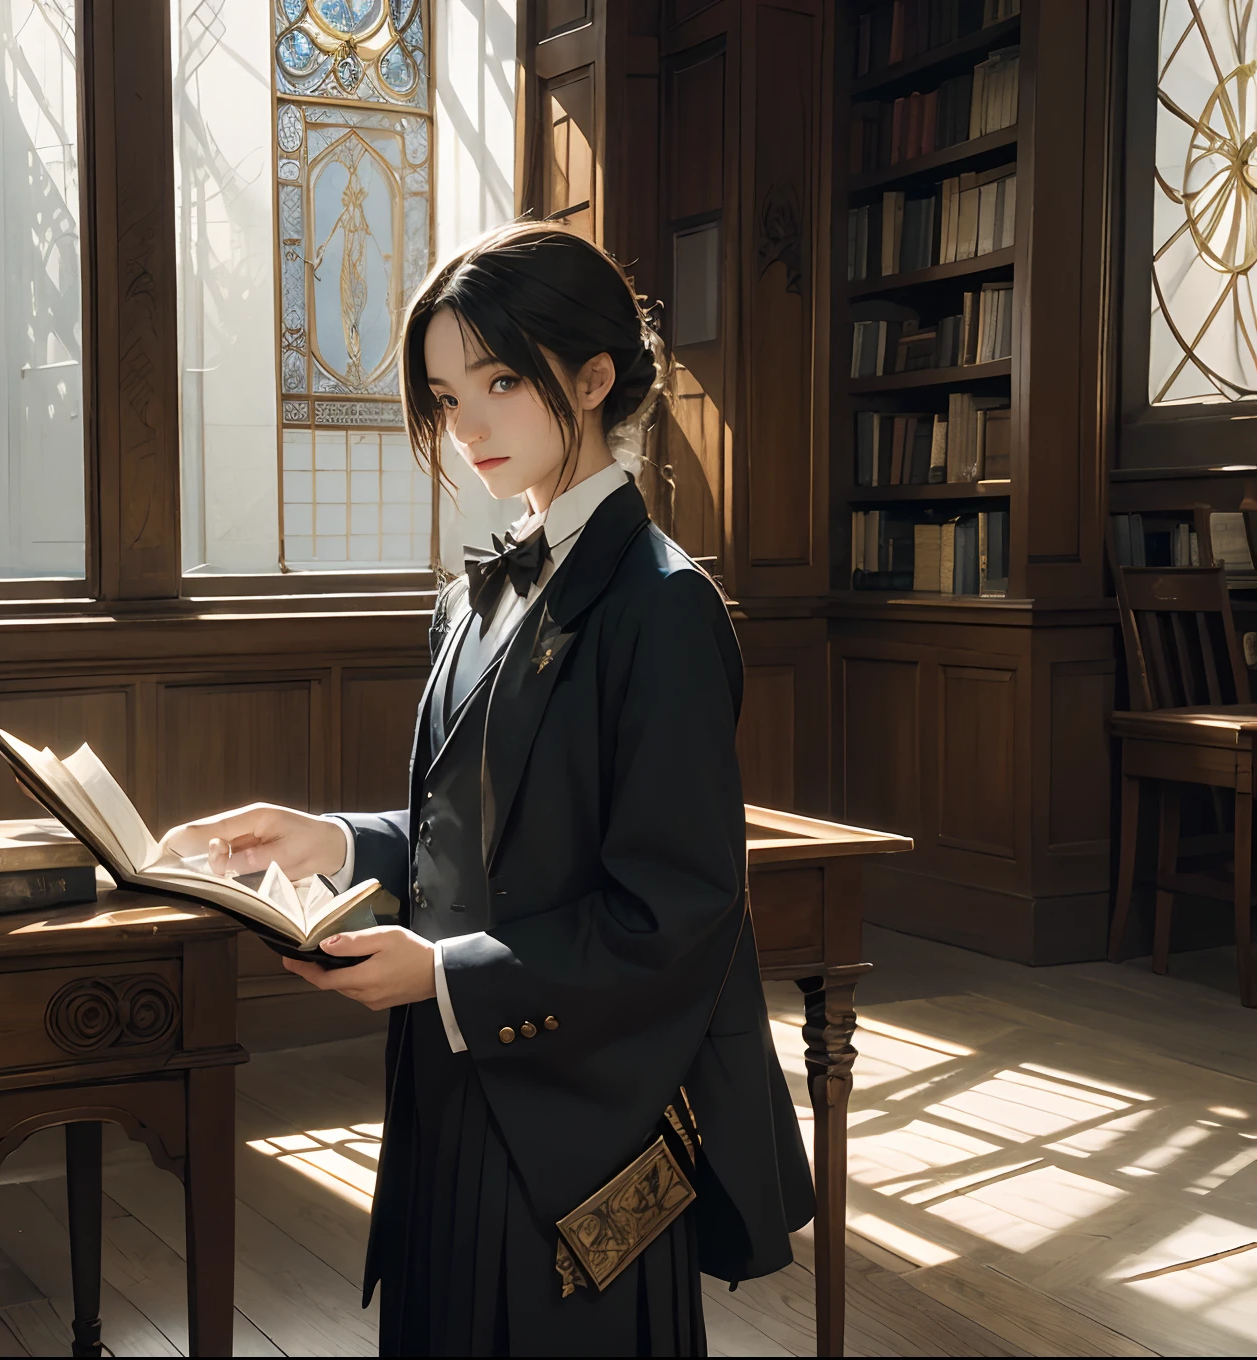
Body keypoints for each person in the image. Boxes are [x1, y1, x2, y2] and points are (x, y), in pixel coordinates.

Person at [163, 221, 813, 1356]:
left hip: (582, 1112)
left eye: (500, 381)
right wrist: (332, 842)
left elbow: (675, 912)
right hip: (450, 1090)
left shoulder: (661, 606)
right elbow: (484, 832)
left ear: (594, 376)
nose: (464, 427)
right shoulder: (470, 598)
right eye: (442, 392)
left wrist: (445, 973)